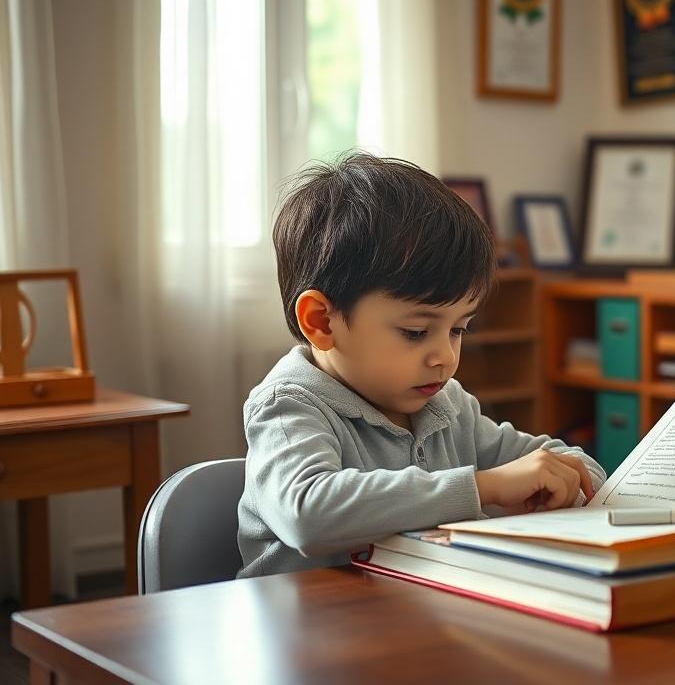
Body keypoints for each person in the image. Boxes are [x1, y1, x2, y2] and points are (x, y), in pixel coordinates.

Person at [237, 152, 606, 578]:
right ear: (322, 321)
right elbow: (308, 513)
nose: (445, 357)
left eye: (458, 330)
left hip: (417, 623)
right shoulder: (288, 407)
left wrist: (575, 478)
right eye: (415, 332)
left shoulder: (446, 405)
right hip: (307, 632)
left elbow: (547, 459)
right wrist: (486, 486)